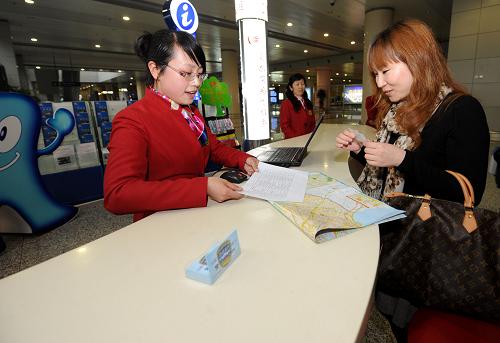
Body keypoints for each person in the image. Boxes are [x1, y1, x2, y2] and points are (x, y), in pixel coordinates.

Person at [104, 29, 259, 221]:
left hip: (193, 213)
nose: (196, 83)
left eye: (199, 74)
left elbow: (213, 148)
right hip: (160, 222)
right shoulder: (132, 120)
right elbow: (118, 194)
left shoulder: (190, 111)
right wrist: (202, 187)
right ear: (155, 70)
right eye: (186, 73)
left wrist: (241, 159)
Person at [336, 19, 490, 204]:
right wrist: (361, 149)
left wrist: (402, 159)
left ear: (418, 61)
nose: (379, 83)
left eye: (385, 71)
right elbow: (386, 174)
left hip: (425, 228)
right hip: (387, 217)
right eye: (376, 74)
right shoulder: (395, 109)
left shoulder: (462, 109)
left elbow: (470, 193)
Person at [280, 73, 316, 139]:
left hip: (307, 140)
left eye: (302, 84)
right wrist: (296, 139)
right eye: (297, 84)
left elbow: (312, 123)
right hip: (293, 142)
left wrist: (310, 137)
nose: (300, 87)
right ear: (291, 88)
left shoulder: (308, 102)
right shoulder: (286, 104)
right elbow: (285, 126)